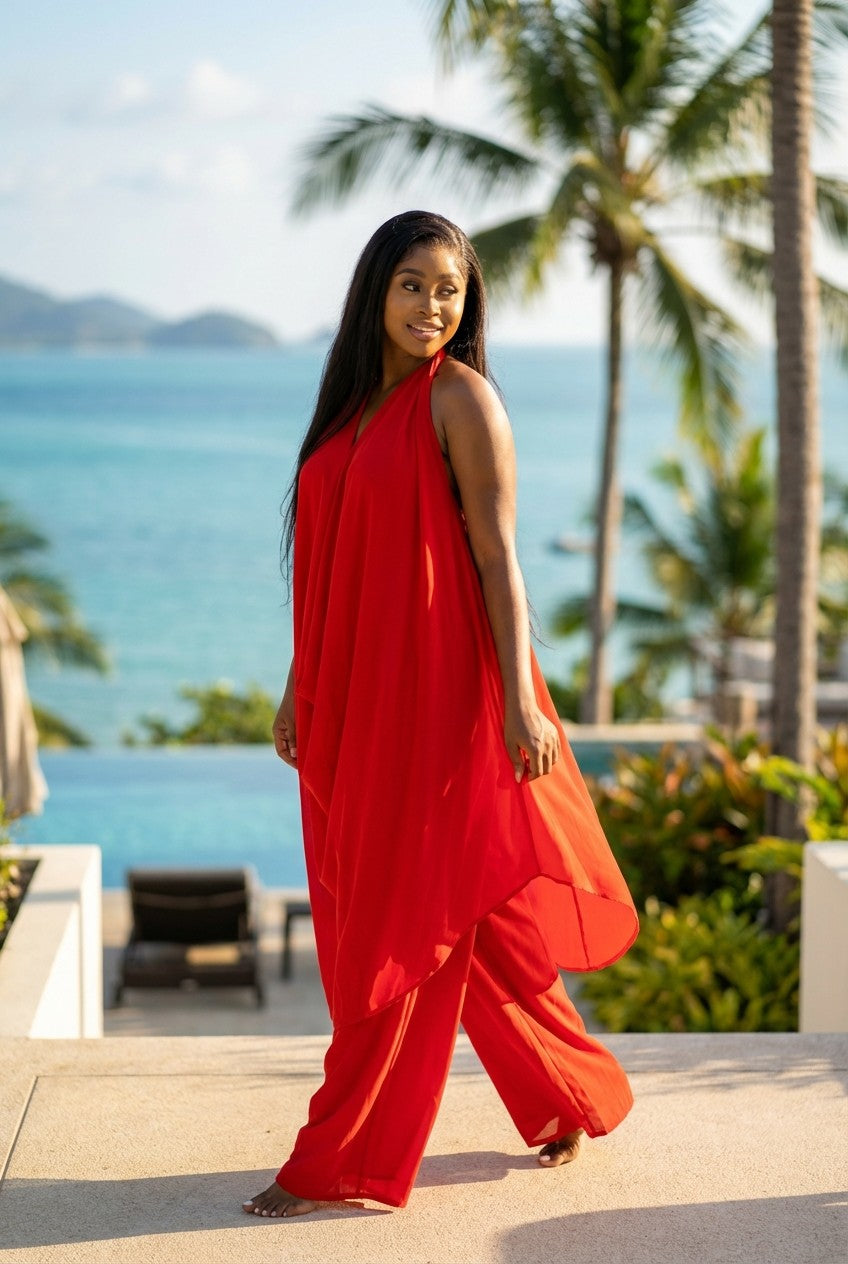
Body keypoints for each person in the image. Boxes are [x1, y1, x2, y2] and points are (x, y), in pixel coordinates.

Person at [243, 210, 638, 1220]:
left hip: (440, 696)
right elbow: (331, 564)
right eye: (412, 284)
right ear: (376, 291)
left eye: (449, 288)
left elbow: (499, 562)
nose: (431, 305)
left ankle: (340, 1154)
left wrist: (517, 702)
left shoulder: (460, 399)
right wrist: (299, 680)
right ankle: (567, 1096)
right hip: (354, 695)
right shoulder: (349, 411)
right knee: (476, 917)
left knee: (396, 915)